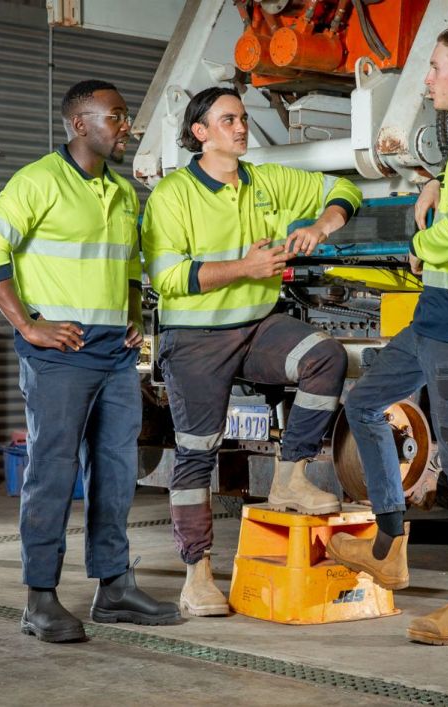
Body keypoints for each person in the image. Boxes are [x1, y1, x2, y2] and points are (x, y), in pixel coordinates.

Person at [0, 80, 179, 642]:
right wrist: (28, 325)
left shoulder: (120, 191)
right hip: (61, 354)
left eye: (127, 115)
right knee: (53, 472)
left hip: (114, 352)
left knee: (114, 472)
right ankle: (40, 599)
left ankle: (114, 587)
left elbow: (127, 265)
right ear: (80, 124)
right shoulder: (38, 180)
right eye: (116, 116)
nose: (126, 125)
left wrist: (135, 315)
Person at [141, 87, 363, 617]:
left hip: (255, 327)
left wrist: (319, 225)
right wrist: (244, 268)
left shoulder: (263, 180)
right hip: (194, 339)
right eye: (227, 120)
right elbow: (168, 278)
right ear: (201, 133)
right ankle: (197, 576)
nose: (241, 128)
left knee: (323, 356)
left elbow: (343, 189)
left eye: (242, 118)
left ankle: (290, 478)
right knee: (198, 454)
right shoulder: (172, 195)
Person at [326, 27, 448, 645]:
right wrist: (433, 180)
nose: (426, 77)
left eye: (434, 67)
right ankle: (389, 544)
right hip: (436, 314)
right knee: (362, 401)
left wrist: (418, 246)